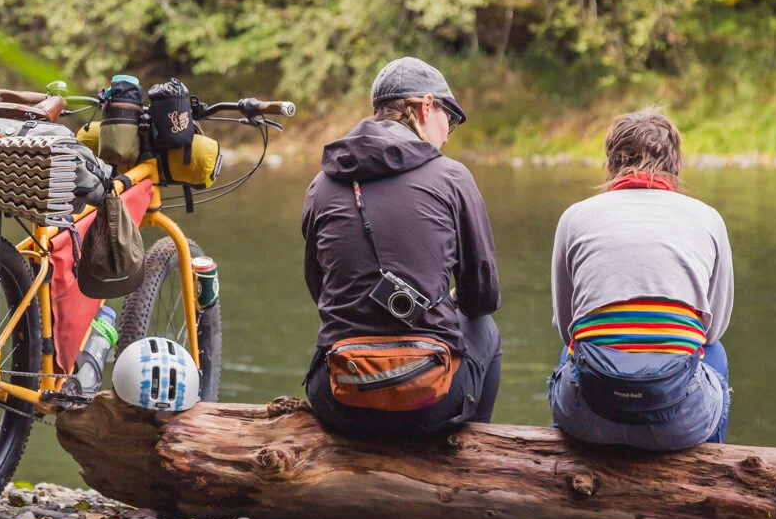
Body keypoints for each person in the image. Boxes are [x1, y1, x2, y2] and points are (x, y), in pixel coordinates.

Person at [302, 57, 502, 438]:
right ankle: (474, 453)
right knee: (485, 328)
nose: (448, 134)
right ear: (426, 107)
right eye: (451, 120)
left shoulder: (321, 184)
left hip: (340, 399)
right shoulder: (453, 177)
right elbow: (482, 297)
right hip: (429, 401)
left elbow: (319, 289)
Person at [548, 108, 733, 450]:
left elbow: (566, 325)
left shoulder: (574, 218)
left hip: (591, 417)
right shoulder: (708, 219)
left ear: (609, 167)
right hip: (679, 422)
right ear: (677, 167)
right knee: (714, 351)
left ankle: (567, 471)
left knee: (571, 348)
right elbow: (714, 328)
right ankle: (710, 472)